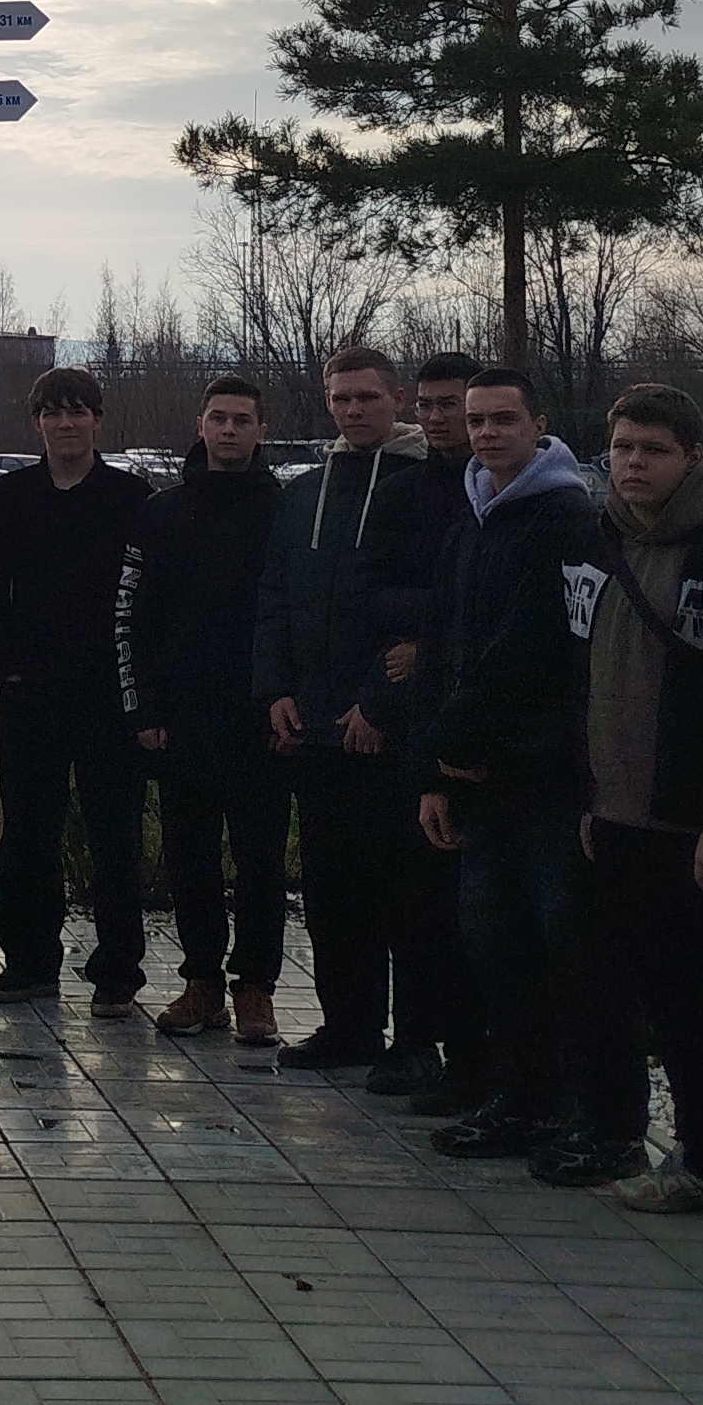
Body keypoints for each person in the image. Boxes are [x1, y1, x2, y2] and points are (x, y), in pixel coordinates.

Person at [552, 382, 703, 1204]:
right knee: (636, 987)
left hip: (694, 824)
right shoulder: (594, 542)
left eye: (653, 450)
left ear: (692, 456)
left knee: (701, 1001)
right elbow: (580, 679)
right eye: (622, 448)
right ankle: (658, 1145)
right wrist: (588, 795)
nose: (634, 464)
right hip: (613, 813)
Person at [414, 365, 600, 1163]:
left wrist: (462, 743)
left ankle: (576, 1109)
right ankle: (517, 1098)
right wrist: (435, 768)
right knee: (495, 947)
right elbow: (442, 647)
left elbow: (533, 650)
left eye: (503, 420)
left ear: (538, 426)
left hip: (543, 776)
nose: (487, 433)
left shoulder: (567, 521)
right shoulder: (472, 519)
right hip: (474, 778)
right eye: (476, 421)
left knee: (561, 951)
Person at [253, 346, 439, 1076]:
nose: (353, 410)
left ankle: (415, 1042)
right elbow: (276, 598)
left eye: (367, 397)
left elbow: (418, 615)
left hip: (389, 731)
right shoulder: (303, 494)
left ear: (398, 399)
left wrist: (379, 704)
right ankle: (348, 1027)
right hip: (315, 726)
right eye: (341, 398)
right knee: (332, 890)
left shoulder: (427, 487)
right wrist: (276, 690)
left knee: (403, 892)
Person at [120, 374, 294, 1049]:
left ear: (261, 431)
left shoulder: (285, 510)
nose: (228, 429)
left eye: (241, 420)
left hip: (260, 720)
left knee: (260, 864)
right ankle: (201, 983)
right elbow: (134, 616)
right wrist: (144, 709)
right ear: (199, 426)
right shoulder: (161, 512)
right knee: (190, 859)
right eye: (218, 417)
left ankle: (256, 989)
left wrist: (287, 703)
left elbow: (297, 615)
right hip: (182, 719)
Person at [0, 367, 153, 1013]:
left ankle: (117, 971)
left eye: (78, 411)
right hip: (31, 695)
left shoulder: (130, 497)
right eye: (53, 412)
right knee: (28, 832)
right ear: (37, 423)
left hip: (109, 695)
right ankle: (28, 962)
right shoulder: (12, 496)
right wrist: (10, 663)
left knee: (115, 836)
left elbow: (148, 595)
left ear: (98, 420)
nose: (66, 423)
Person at [361, 351, 485, 1107]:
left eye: (455, 407)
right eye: (431, 406)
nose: (441, 420)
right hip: (412, 722)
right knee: (413, 893)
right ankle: (411, 1042)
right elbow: (370, 590)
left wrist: (432, 641)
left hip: (487, 724)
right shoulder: (403, 491)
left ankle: (482, 1058)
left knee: (480, 906)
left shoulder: (507, 493)